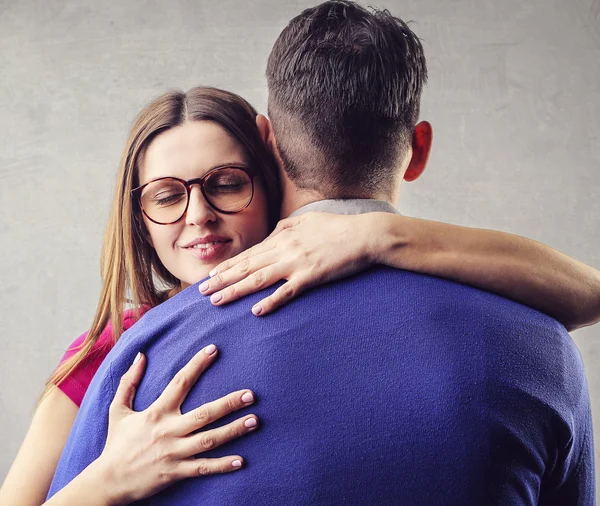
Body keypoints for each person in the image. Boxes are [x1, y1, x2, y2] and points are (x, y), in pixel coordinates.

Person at [41, 1, 595, 505]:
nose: (199, 215)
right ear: (417, 148)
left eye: (224, 184)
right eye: (166, 196)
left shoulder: (146, 360)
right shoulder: (543, 348)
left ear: (269, 144)